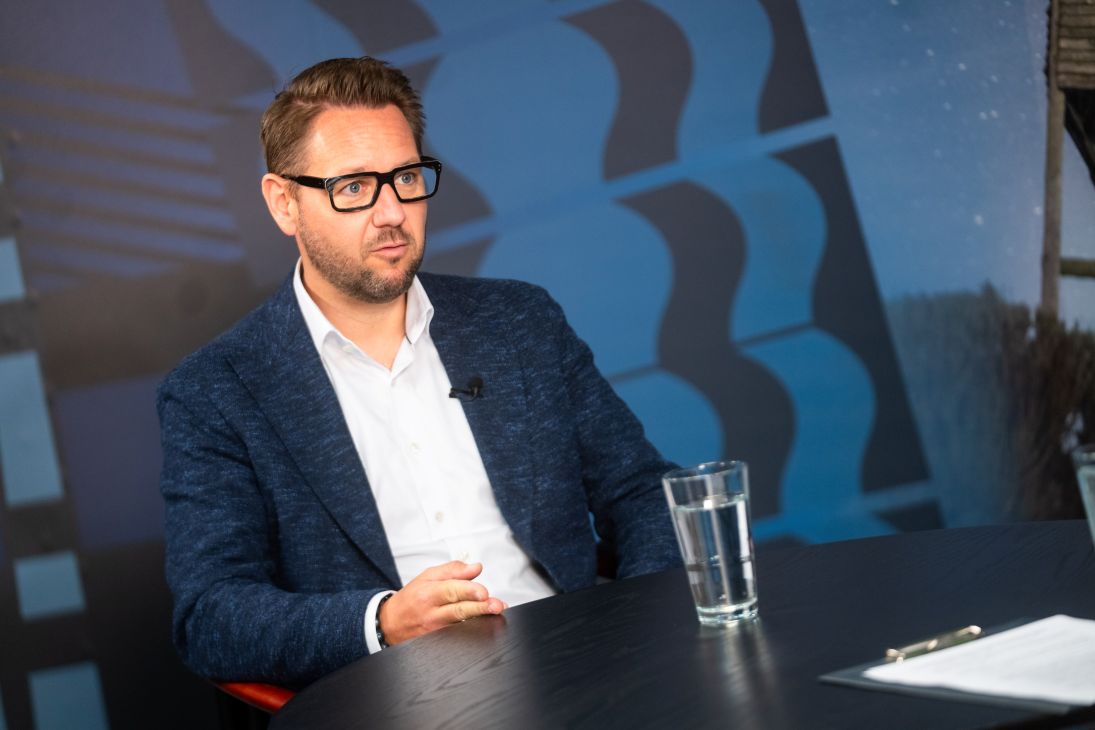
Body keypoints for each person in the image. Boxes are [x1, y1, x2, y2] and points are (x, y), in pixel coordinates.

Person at [158, 56, 680, 688]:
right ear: (284, 203)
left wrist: (635, 637)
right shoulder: (216, 391)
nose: (391, 213)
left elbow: (644, 492)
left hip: (583, 672)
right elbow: (211, 616)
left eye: (405, 178)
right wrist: (382, 623)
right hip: (398, 700)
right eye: (354, 187)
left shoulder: (519, 322)